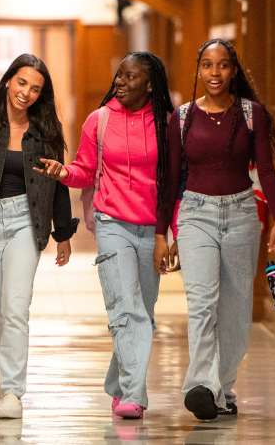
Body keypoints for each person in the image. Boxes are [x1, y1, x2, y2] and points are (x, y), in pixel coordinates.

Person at [36, 52, 174, 419]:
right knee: (125, 307)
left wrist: (171, 232)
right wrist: (64, 173)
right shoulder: (99, 120)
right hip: (112, 222)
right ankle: (133, 393)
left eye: (130, 78)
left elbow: (174, 183)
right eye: (119, 76)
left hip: (153, 229)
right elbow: (84, 169)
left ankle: (117, 383)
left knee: (142, 311)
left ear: (149, 84)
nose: (120, 83)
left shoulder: (168, 124)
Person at [154, 38, 275, 420]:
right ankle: (201, 386)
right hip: (195, 215)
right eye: (208, 65)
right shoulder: (181, 118)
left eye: (223, 65)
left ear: (233, 71)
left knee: (236, 308)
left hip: (243, 214)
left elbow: (266, 170)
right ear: (199, 70)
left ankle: (222, 388)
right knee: (202, 304)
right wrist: (162, 232)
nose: (215, 73)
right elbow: (169, 179)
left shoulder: (251, 114)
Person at [0, 54, 77, 419]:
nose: (26, 92)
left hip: (26, 219)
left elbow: (56, 182)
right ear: (8, 81)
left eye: (35, 88)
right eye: (22, 83)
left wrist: (63, 232)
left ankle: (12, 391)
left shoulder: (46, 131)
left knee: (16, 308)